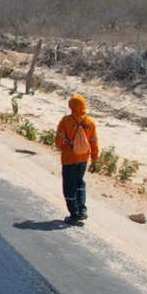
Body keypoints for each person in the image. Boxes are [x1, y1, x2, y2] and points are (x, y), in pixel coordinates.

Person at [55, 95, 99, 225]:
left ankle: (73, 215)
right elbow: (94, 143)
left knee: (69, 186)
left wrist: (64, 148)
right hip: (83, 159)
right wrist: (94, 159)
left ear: (71, 106)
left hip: (69, 159)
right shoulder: (90, 123)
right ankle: (82, 209)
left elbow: (58, 141)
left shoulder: (66, 121)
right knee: (80, 183)